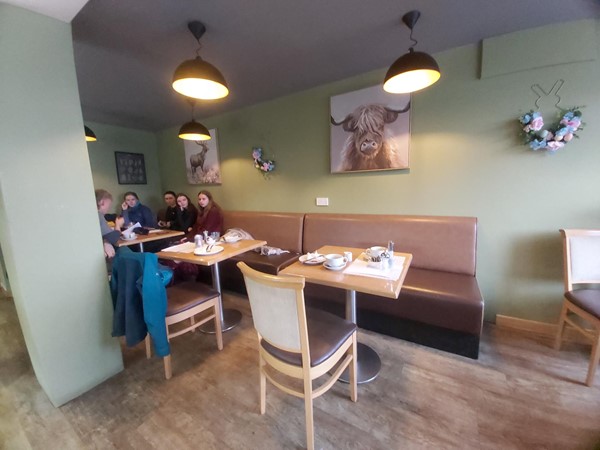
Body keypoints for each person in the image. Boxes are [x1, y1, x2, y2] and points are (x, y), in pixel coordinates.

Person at [95, 189, 124, 259]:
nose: (109, 207)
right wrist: (117, 225)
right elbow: (112, 238)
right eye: (109, 204)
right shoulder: (98, 215)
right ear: (102, 202)